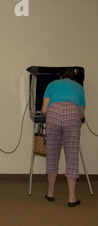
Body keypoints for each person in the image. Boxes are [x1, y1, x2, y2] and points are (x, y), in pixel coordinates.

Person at [42, 69, 86, 207]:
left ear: (60, 77)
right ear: (73, 78)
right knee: (72, 155)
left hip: (53, 112)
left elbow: (44, 110)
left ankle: (50, 193)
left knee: (52, 154)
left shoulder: (52, 84)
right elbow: (81, 115)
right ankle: (72, 198)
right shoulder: (79, 87)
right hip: (72, 113)